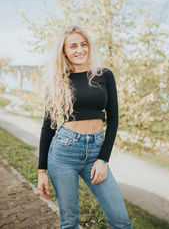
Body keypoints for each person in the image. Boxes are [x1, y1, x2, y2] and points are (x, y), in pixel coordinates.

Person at [37, 25, 133, 229]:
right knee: (69, 221)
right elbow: (48, 127)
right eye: (73, 46)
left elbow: (113, 119)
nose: (80, 50)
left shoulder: (105, 75)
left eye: (83, 44)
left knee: (121, 220)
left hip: (95, 151)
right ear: (64, 51)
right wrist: (41, 171)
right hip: (63, 153)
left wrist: (103, 159)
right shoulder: (58, 81)